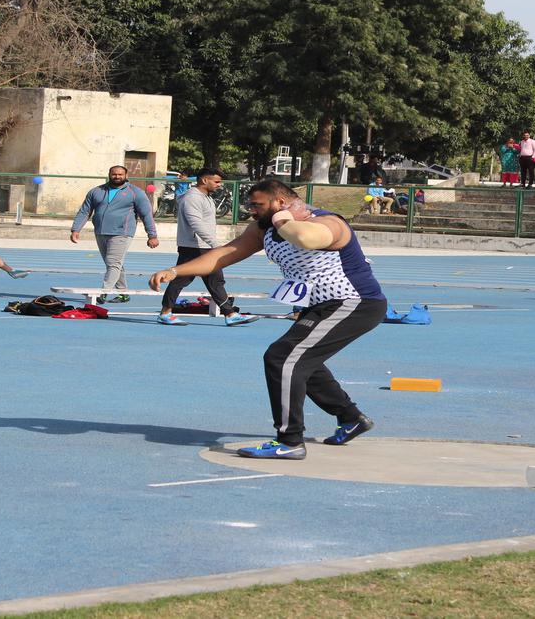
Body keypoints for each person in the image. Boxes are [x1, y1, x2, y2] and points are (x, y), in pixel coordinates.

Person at [148, 179, 385, 460]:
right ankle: (350, 417)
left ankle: (290, 440)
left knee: (282, 358)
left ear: (281, 203)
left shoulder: (328, 222)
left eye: (258, 205)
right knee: (302, 361)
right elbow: (224, 255)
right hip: (321, 305)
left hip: (354, 302)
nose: (251, 210)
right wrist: (175, 271)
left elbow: (306, 239)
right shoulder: (264, 230)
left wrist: (284, 219)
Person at [157, 168, 259, 327]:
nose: (219, 185)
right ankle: (165, 313)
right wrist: (215, 245)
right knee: (182, 279)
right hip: (194, 247)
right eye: (216, 181)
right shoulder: (192, 198)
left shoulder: (206, 197)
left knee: (215, 280)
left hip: (204, 246)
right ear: (204, 180)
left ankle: (230, 314)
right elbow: (195, 222)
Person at [69, 165, 160, 303]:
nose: (117, 177)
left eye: (120, 174)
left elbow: (146, 214)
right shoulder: (96, 191)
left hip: (122, 233)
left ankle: (103, 292)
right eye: (114, 174)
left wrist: (152, 235)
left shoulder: (135, 192)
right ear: (109, 174)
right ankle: (123, 292)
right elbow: (84, 211)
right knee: (113, 264)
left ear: (126, 176)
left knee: (113, 263)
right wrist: (76, 229)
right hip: (100, 232)